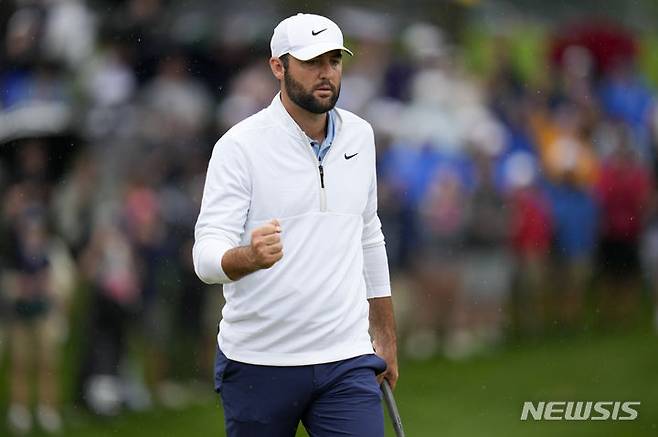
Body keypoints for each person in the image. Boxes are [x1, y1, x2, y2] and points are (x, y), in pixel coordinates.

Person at [193, 13, 398, 437]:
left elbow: (368, 234)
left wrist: (385, 334)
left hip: (346, 357)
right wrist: (247, 256)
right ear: (278, 66)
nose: (326, 74)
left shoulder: (360, 136)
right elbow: (205, 256)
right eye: (311, 62)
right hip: (259, 361)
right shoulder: (239, 147)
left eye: (334, 61)